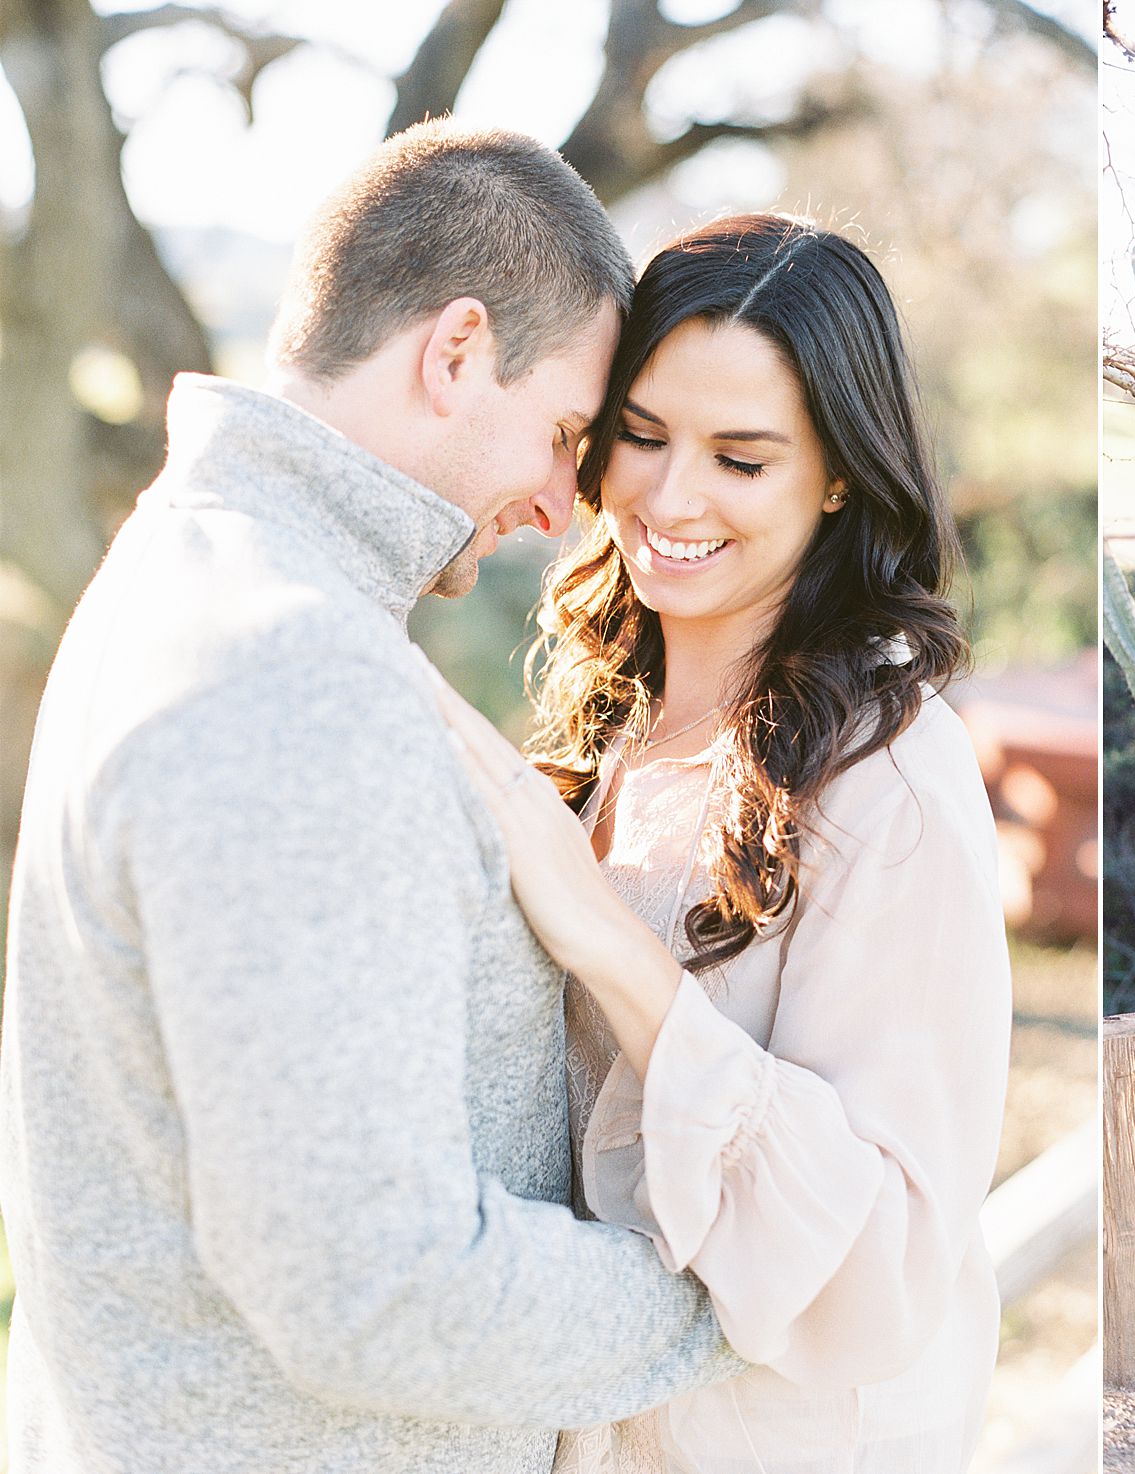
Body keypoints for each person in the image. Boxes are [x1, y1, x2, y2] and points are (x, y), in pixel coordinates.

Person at [0, 121, 740, 1473]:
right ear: (456, 351)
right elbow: (369, 1278)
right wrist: (722, 1292)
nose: (570, 508)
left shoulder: (193, 575)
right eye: (567, 432)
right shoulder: (289, 673)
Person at [427, 214, 1012, 1474]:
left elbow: (885, 1264)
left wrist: (606, 946)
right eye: (640, 436)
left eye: (741, 459)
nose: (669, 497)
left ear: (842, 474)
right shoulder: (613, 719)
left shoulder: (888, 778)